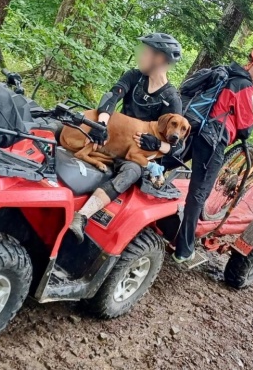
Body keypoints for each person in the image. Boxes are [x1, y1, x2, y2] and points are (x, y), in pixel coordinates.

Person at [69, 33, 184, 241]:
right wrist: (101, 124)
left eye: (146, 53)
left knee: (132, 171)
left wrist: (158, 143)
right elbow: (112, 96)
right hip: (110, 135)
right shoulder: (134, 76)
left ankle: (82, 216)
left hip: (135, 154)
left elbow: (176, 148)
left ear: (159, 59)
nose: (140, 56)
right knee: (64, 122)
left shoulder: (171, 99)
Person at [172, 45, 253, 263]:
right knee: (199, 193)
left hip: (194, 130)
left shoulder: (225, 72)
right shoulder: (243, 85)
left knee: (167, 161)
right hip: (213, 142)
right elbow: (246, 127)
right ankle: (184, 249)